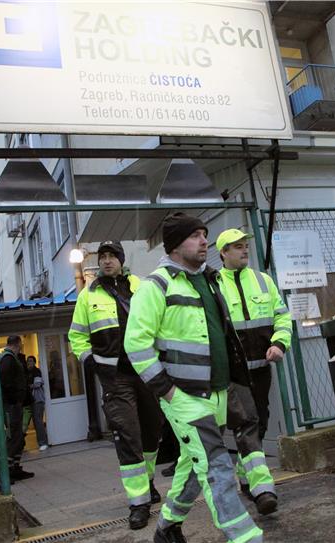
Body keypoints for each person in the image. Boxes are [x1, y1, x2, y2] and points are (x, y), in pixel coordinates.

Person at [125, 213, 264, 543]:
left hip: (217, 392)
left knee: (193, 462)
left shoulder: (211, 279)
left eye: (204, 234)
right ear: (174, 246)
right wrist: (167, 391)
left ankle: (168, 526)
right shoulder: (155, 286)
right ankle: (245, 538)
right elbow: (136, 344)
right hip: (183, 396)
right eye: (195, 236)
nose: (204, 241)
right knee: (217, 466)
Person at [69, 240, 162, 530]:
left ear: (121, 260)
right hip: (115, 378)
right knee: (128, 434)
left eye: (112, 256)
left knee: (152, 431)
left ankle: (146, 480)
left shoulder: (142, 286)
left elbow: (159, 322)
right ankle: (138, 503)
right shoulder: (88, 295)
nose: (107, 261)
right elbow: (76, 336)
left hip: (147, 371)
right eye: (103, 257)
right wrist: (91, 362)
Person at [216, 228, 290, 510]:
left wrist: (280, 343)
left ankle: (246, 476)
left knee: (259, 420)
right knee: (247, 420)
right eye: (236, 247)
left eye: (245, 245)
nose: (244, 250)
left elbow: (282, 316)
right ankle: (262, 487)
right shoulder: (214, 285)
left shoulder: (263, 280)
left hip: (261, 368)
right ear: (223, 253)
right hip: (233, 372)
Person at [0, 335, 34, 482]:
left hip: (15, 405)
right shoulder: (8, 359)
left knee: (18, 438)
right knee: (13, 438)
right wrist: (15, 400)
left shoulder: (11, 358)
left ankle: (15, 468)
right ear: (18, 344)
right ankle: (8, 472)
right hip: (12, 406)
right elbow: (6, 383)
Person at [23, 355, 48, 451]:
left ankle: (43, 442)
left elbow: (37, 384)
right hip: (29, 401)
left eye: (31, 361)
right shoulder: (26, 373)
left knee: (38, 422)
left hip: (37, 400)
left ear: (34, 362)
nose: (29, 363)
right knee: (30, 423)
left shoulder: (37, 371)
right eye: (28, 361)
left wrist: (29, 386)